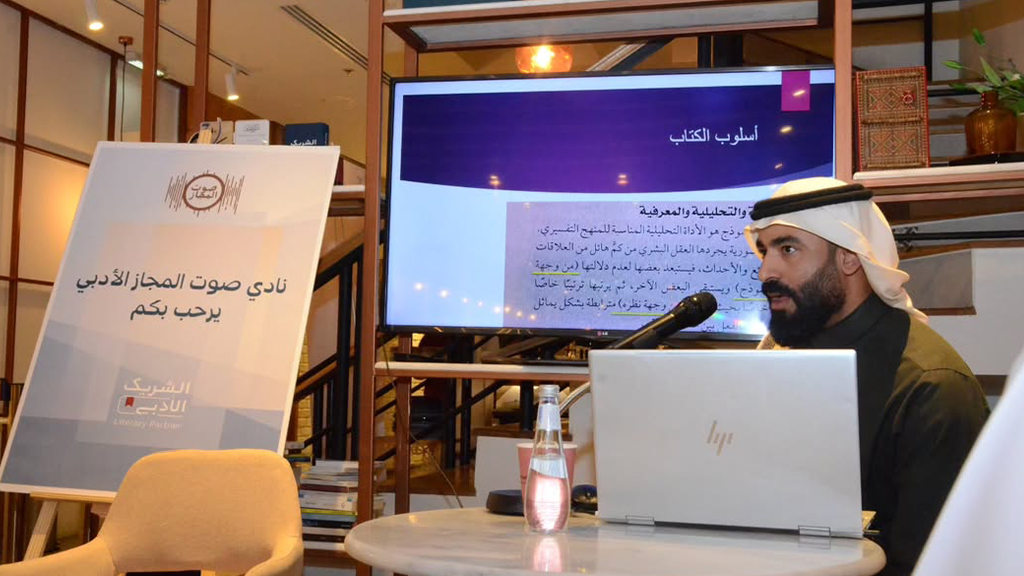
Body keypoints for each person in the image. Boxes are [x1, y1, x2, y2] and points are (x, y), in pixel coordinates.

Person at [742, 177, 989, 576]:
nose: (766, 271)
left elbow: (928, 563)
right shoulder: (781, 356)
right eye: (764, 251)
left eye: (788, 249)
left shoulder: (930, 387)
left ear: (849, 258)